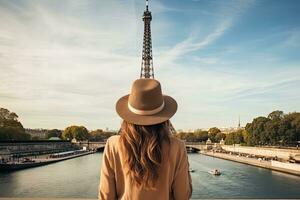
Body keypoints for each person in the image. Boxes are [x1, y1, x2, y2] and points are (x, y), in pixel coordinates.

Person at [98, 78, 192, 200]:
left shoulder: (113, 144)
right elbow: (182, 196)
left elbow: (106, 195)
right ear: (164, 115)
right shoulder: (177, 146)